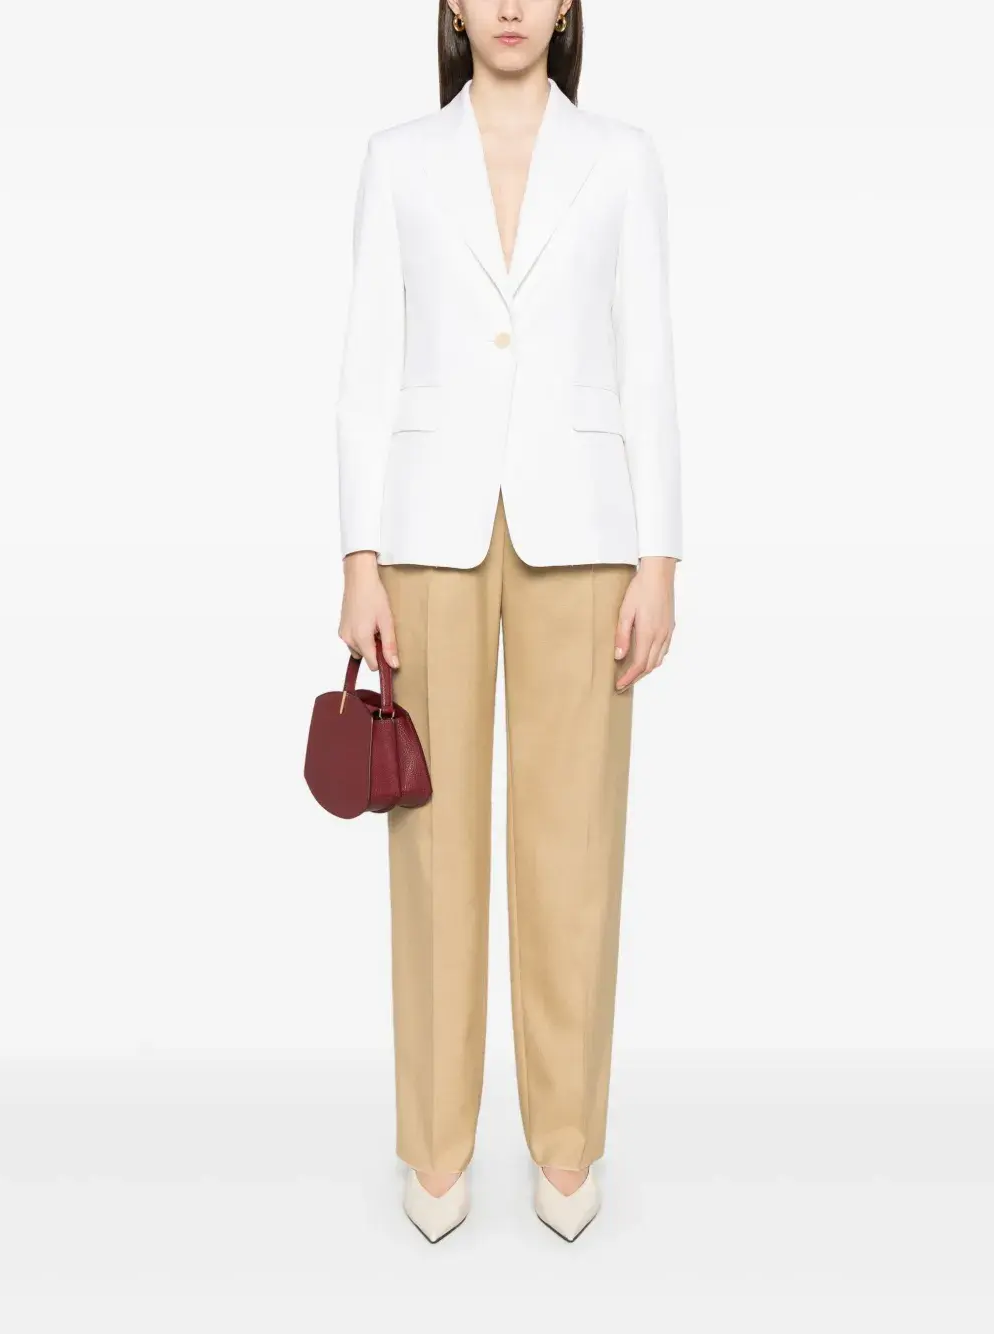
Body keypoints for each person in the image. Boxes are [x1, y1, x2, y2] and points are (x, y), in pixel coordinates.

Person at [335, 0, 681, 1243]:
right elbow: (367, 364)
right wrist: (357, 555)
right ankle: (435, 1149)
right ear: (450, 6)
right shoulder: (396, 159)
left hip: (584, 527)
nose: (513, 4)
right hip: (426, 529)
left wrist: (660, 554)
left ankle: (567, 1140)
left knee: (573, 839)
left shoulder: (621, 158)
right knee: (430, 843)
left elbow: (648, 358)